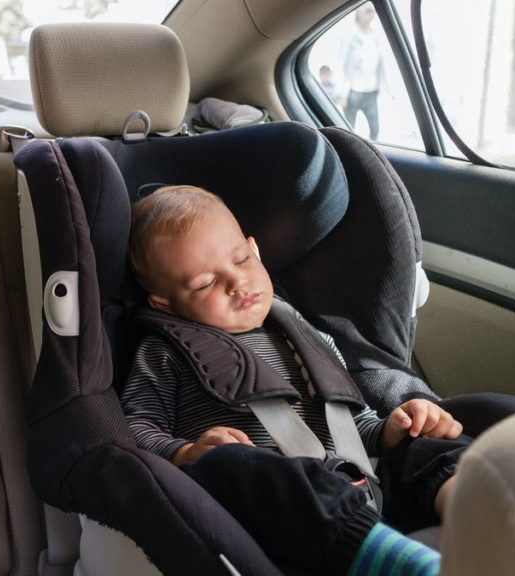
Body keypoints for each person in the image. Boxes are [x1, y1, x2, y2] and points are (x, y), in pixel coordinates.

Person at [121, 185, 469, 576]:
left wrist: (395, 426)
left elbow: (356, 425)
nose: (236, 283)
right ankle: (394, 563)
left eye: (240, 260)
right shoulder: (163, 353)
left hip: (360, 481)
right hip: (282, 507)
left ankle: (481, 515)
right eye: (205, 283)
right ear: (164, 303)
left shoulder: (308, 337)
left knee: (427, 445)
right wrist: (186, 452)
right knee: (239, 468)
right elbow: (136, 428)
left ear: (254, 249)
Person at [341, 4, 386, 140]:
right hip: (353, 92)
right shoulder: (350, 36)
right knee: (348, 131)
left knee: (375, 130)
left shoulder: (376, 37)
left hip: (371, 92)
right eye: (367, 11)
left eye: (372, 11)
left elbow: (381, 65)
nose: (370, 14)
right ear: (358, 13)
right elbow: (343, 66)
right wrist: (342, 94)